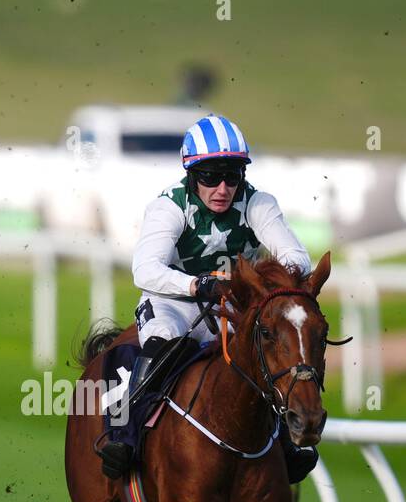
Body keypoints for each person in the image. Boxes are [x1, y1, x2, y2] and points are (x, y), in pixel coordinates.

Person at [97, 113, 319, 481]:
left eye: (232, 176)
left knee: (262, 358)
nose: (222, 188)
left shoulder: (257, 203)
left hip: (230, 306)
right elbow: (146, 270)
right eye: (210, 176)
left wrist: (256, 281)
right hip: (173, 303)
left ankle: (285, 443)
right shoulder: (169, 207)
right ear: (191, 175)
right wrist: (199, 286)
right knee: (162, 341)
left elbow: (297, 258)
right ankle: (125, 437)